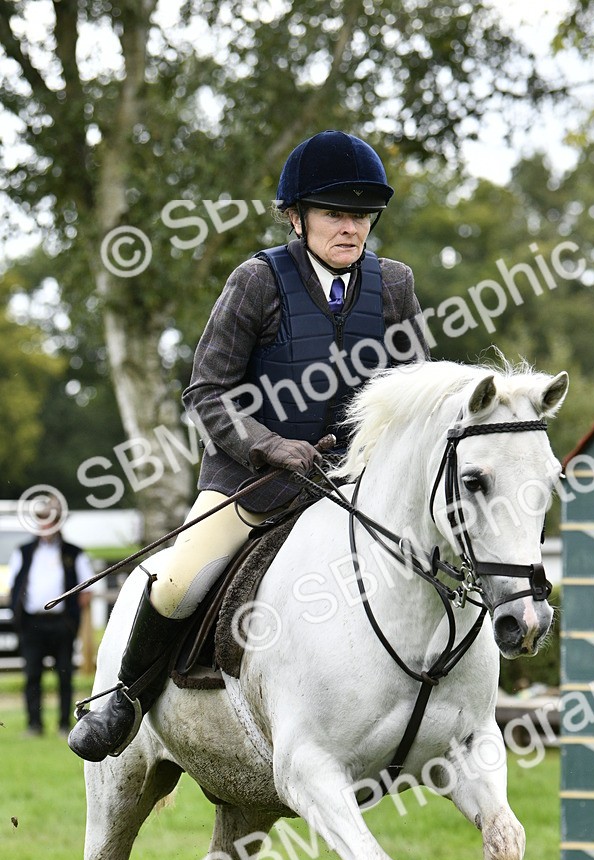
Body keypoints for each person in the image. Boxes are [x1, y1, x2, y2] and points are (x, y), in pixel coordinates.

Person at [69, 129, 429, 762]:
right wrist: (271, 445)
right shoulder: (257, 280)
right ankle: (123, 700)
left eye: (362, 215)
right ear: (297, 217)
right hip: (251, 482)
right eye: (334, 213)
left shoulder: (394, 284)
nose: (351, 227)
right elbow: (206, 390)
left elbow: (418, 391)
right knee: (178, 581)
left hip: (354, 487)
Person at [9, 498, 93, 737]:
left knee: (64, 674)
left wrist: (73, 616)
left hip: (62, 622)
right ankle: (34, 724)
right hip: (32, 623)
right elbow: (14, 586)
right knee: (32, 674)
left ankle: (64, 723)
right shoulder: (24, 552)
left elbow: (86, 588)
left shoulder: (73, 553)